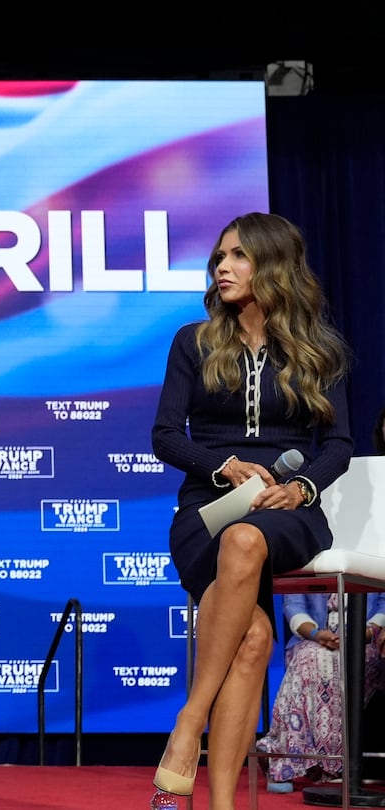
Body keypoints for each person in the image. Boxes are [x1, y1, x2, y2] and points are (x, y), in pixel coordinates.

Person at [150, 212, 353, 809]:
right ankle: (221, 807)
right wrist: (223, 467)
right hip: (206, 509)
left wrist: (300, 491)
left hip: (288, 508)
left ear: (272, 265)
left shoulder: (319, 349)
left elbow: (337, 445)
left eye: (238, 256)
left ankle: (188, 726)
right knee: (255, 639)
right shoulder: (193, 341)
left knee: (248, 540)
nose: (223, 267)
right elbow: (166, 435)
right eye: (219, 257)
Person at [255, 593, 385, 791]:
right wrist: (316, 634)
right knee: (308, 656)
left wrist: (361, 634)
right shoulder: (307, 561)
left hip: (365, 642)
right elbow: (293, 606)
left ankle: (281, 754)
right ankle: (289, 762)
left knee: (341, 662)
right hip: (313, 640)